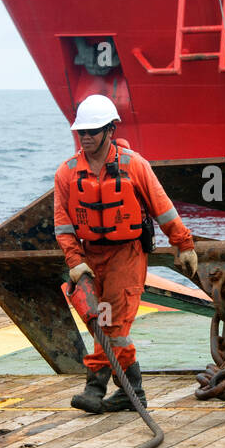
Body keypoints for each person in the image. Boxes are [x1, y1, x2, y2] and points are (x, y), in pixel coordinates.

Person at [53, 94, 198, 414]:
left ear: (110, 130)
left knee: (113, 325)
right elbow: (62, 223)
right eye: (82, 132)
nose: (86, 137)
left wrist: (184, 244)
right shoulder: (66, 173)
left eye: (93, 131)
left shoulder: (135, 166)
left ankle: (95, 388)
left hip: (127, 255)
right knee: (102, 323)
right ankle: (132, 392)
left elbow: (163, 209)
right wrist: (75, 262)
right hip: (91, 260)